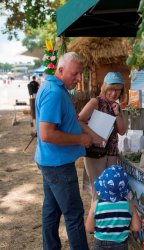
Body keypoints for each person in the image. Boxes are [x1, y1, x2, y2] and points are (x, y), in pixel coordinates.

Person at [34, 52, 93, 250]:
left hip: (51, 161)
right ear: (60, 70)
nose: (78, 79)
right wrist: (81, 139)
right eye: (75, 74)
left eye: (80, 74)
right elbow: (47, 134)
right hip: (57, 164)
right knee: (74, 214)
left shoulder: (56, 88)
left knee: (51, 210)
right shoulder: (54, 93)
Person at [78, 71, 128, 201]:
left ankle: (107, 218)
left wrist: (117, 113)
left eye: (118, 90)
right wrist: (95, 136)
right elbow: (79, 120)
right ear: (105, 87)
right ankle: (96, 219)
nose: (114, 93)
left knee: (111, 191)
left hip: (111, 153)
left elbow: (122, 131)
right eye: (111, 89)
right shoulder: (96, 102)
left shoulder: (116, 106)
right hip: (95, 153)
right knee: (98, 192)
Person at [85, 164, 141, 250]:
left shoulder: (96, 205)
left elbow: (89, 228)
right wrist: (126, 227)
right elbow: (137, 227)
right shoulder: (129, 205)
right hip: (121, 244)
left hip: (100, 243)